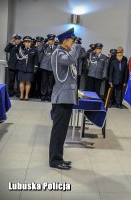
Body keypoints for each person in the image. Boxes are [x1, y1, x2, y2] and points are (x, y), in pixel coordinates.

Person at [49, 28, 80, 170]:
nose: (73, 44)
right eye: (72, 41)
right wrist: (77, 46)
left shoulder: (65, 52)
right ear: (65, 41)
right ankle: (55, 160)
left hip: (67, 97)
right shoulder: (58, 53)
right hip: (61, 97)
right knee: (58, 131)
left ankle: (59, 157)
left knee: (62, 131)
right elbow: (70, 60)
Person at [16, 36, 38, 100]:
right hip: (21, 68)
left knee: (28, 82)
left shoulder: (34, 50)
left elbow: (36, 60)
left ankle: (26, 95)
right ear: (23, 43)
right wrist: (19, 43)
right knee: (21, 82)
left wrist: (35, 68)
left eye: (29, 42)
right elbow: (14, 51)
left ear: (31, 43)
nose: (27, 43)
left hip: (30, 68)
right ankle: (21, 95)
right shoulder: (20, 49)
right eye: (26, 42)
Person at [39, 34, 57, 101]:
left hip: (52, 68)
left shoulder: (56, 47)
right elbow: (39, 50)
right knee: (44, 82)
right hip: (44, 67)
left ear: (54, 41)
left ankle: (49, 95)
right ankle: (43, 95)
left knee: (51, 82)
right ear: (48, 40)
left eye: (52, 40)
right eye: (49, 40)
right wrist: (44, 43)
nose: (51, 41)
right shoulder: (45, 46)